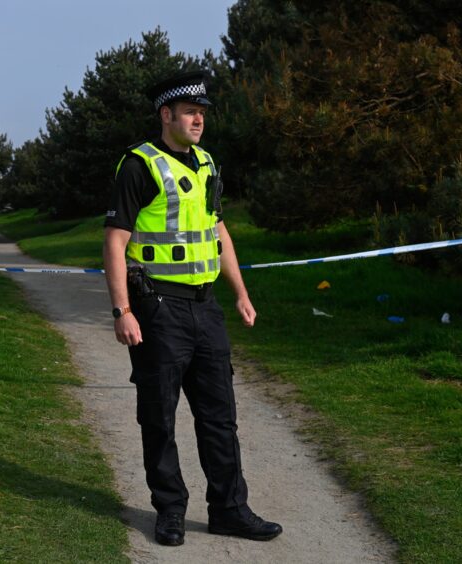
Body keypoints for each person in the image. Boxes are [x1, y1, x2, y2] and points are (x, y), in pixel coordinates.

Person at [103, 70, 282, 547]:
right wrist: (123, 310)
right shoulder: (139, 165)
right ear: (167, 115)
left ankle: (230, 509)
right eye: (189, 112)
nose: (199, 119)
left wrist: (241, 292)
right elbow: (115, 240)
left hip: (206, 309)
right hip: (158, 308)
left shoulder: (206, 163)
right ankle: (170, 511)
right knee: (159, 415)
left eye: (202, 113)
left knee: (220, 415)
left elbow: (218, 232)